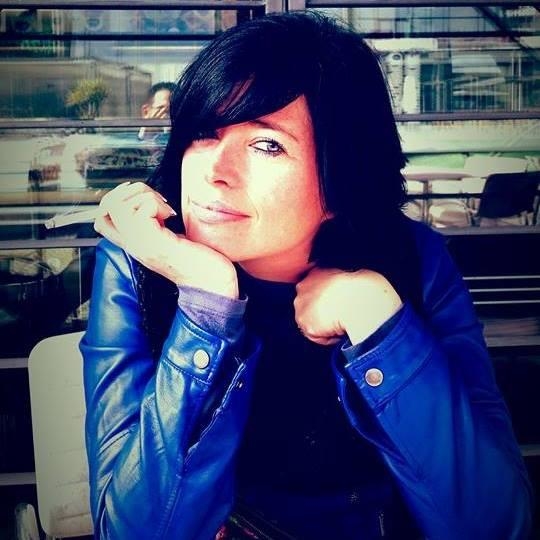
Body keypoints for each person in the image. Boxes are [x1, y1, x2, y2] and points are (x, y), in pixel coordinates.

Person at [80, 11, 533, 540]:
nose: (214, 171)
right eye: (204, 133)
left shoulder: (414, 261)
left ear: (342, 175)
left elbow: (498, 524)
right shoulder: (141, 264)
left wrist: (379, 324)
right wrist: (205, 309)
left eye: (266, 144)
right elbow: (131, 531)